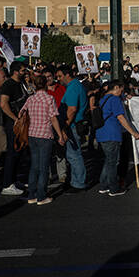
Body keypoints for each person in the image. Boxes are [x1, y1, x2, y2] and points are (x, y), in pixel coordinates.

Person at [19, 75, 67, 205]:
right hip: (45, 135)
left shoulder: (31, 99)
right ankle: (41, 196)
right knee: (44, 167)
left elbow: (21, 113)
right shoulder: (49, 98)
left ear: (34, 85)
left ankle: (32, 195)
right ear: (45, 84)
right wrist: (60, 135)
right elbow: (53, 118)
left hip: (32, 134)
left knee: (34, 166)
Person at [96, 80, 139, 196]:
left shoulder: (103, 99)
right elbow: (121, 117)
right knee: (112, 163)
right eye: (121, 89)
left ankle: (104, 185)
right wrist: (133, 132)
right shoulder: (115, 99)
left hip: (102, 133)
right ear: (116, 87)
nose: (122, 92)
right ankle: (113, 188)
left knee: (108, 161)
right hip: (112, 134)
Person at [56, 64, 89, 193]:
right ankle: (75, 180)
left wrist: (65, 126)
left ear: (67, 75)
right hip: (73, 124)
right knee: (72, 155)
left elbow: (72, 109)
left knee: (74, 156)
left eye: (60, 76)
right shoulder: (74, 86)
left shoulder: (73, 87)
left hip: (72, 125)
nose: (58, 79)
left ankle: (79, 183)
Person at [0, 61, 29, 196]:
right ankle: (7, 184)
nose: (25, 73)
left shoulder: (20, 83)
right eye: (23, 71)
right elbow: (3, 104)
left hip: (22, 122)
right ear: (16, 71)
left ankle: (14, 180)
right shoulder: (8, 85)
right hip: (13, 124)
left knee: (19, 152)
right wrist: (15, 119)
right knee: (12, 152)